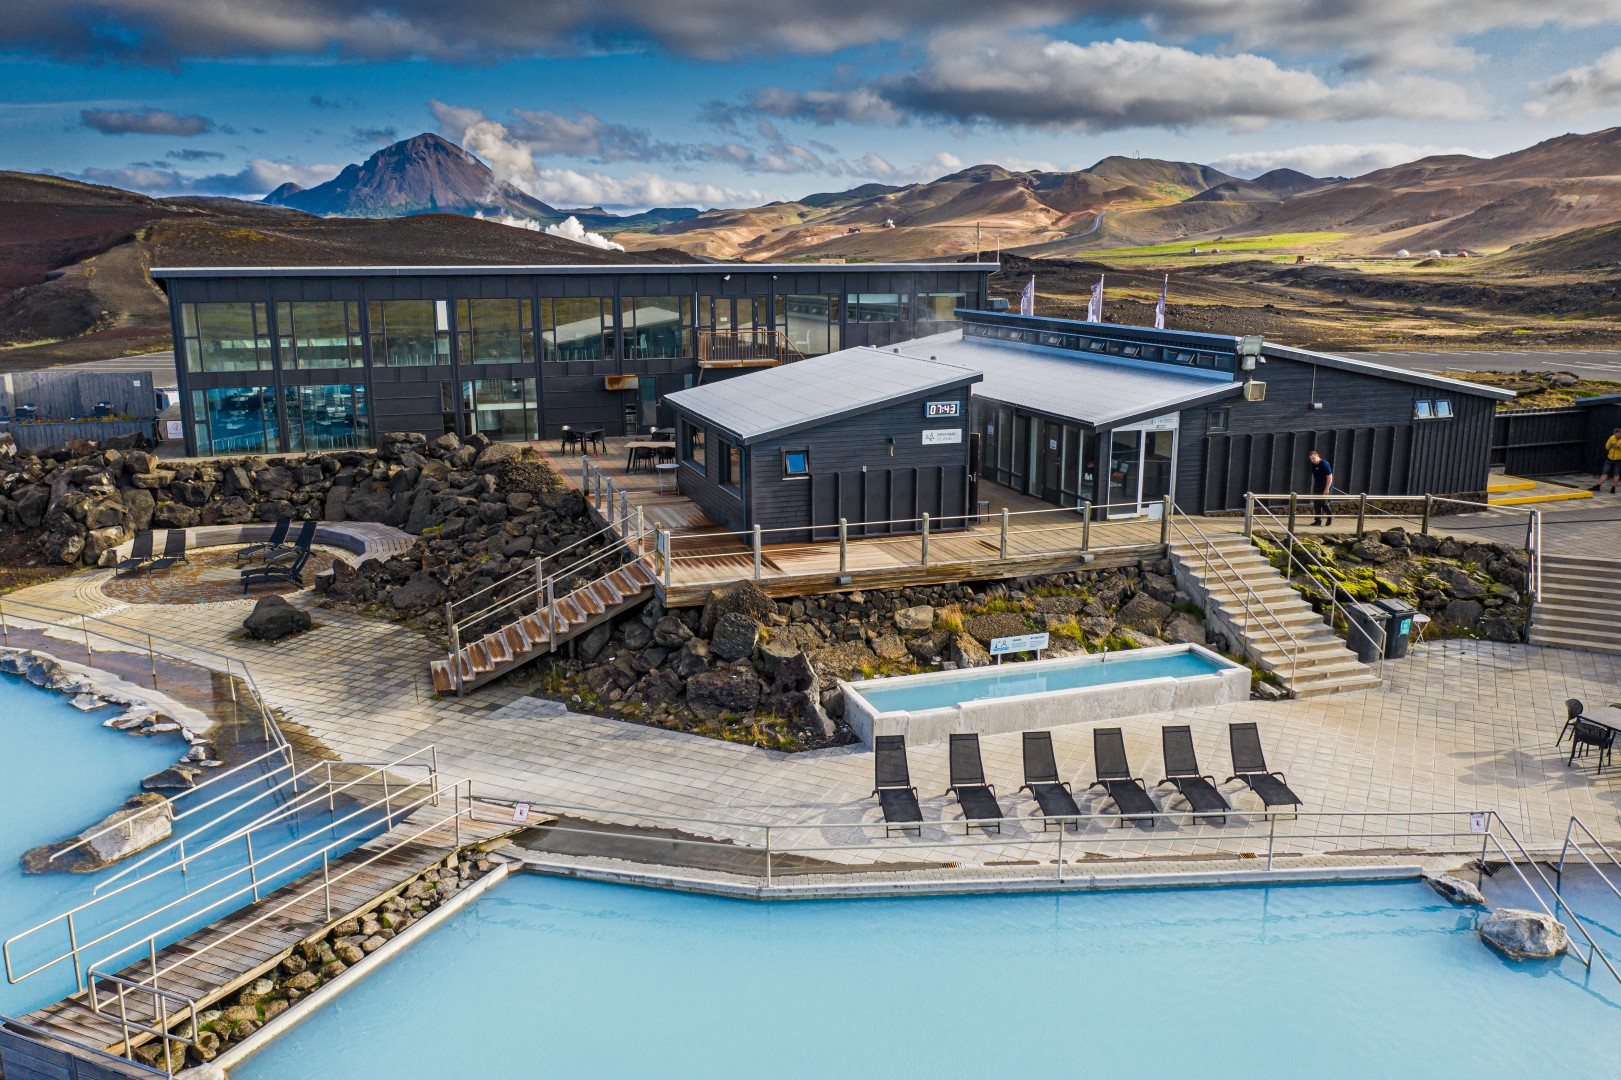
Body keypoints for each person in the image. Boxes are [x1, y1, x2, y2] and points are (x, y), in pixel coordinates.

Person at [1308, 450, 1334, 527]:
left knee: (1323, 502)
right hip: (1317, 485)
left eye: (1313, 458)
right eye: (1311, 459)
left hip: (1325, 486)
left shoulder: (1324, 464)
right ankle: (1318, 520)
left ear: (1317, 456)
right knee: (1316, 503)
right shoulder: (1314, 465)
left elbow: (1329, 477)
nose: (1312, 460)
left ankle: (1330, 516)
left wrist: (1327, 488)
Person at [1592, 427, 1621, 494]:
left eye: (1617, 435)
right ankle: (1598, 486)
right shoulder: (1612, 437)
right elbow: (1606, 447)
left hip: (1618, 460)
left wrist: (1619, 446)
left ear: (1620, 433)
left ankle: (1613, 488)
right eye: (1615, 435)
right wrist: (1610, 445)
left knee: (1616, 474)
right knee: (1604, 472)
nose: (1616, 436)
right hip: (1609, 458)